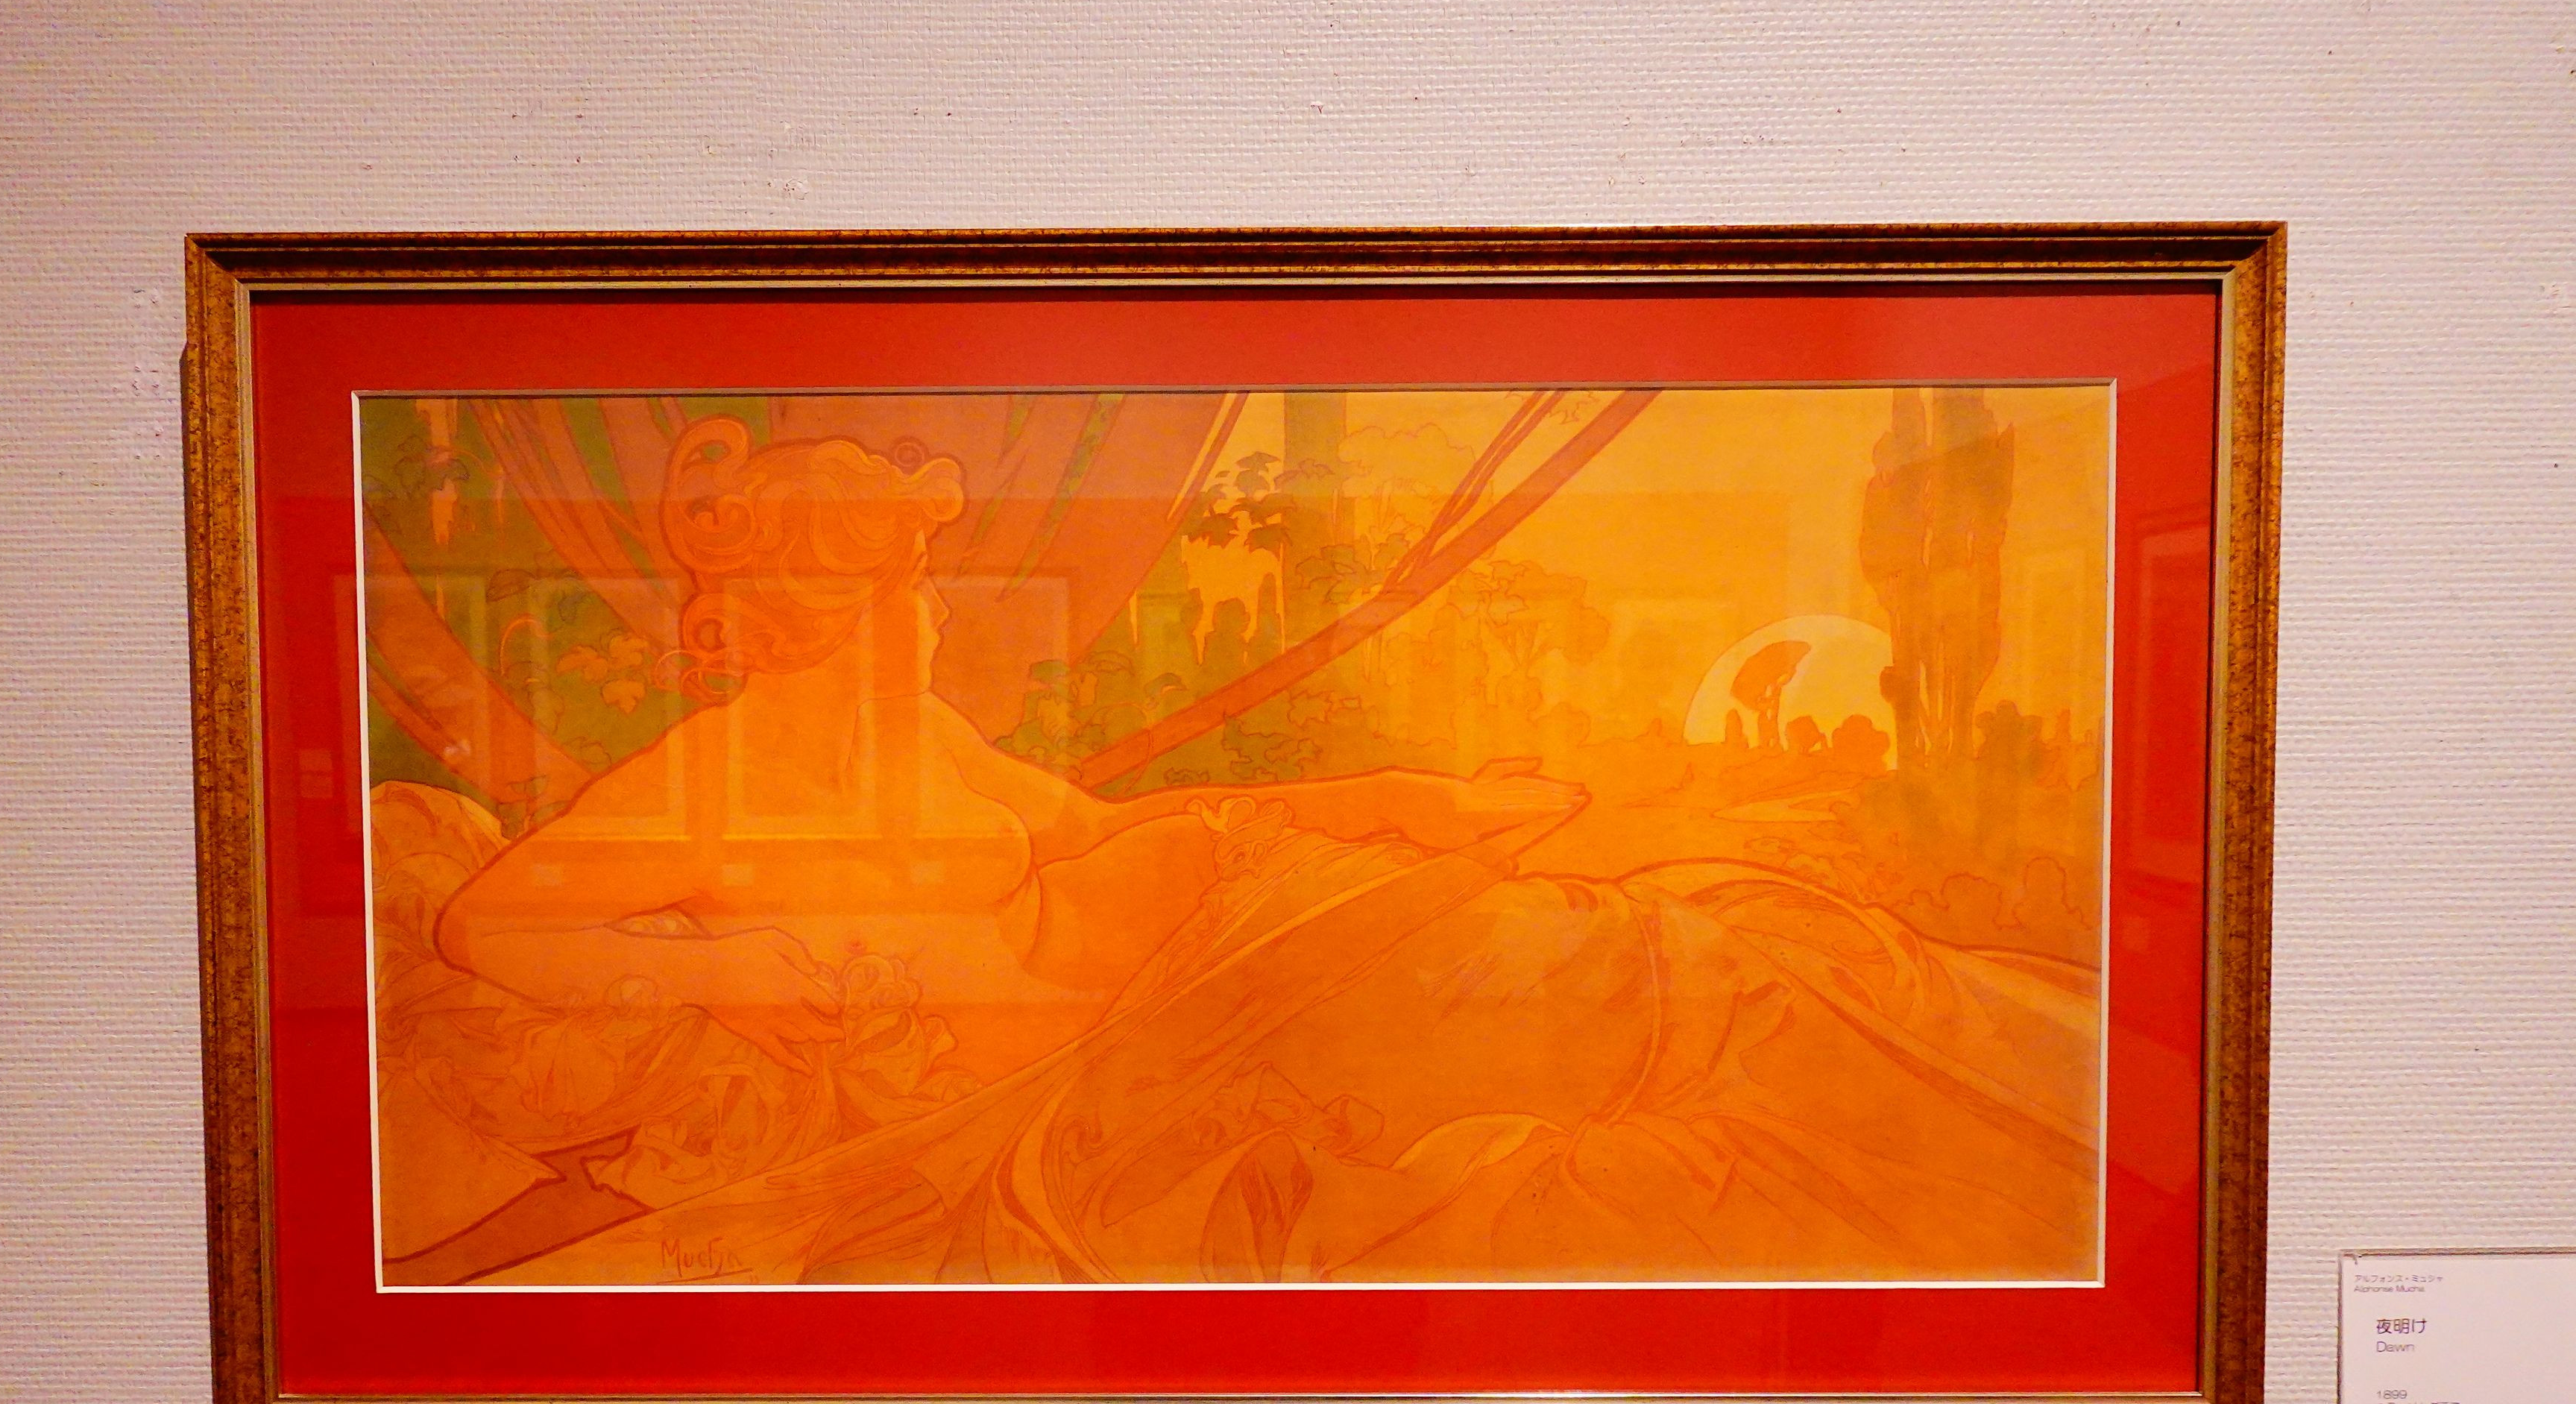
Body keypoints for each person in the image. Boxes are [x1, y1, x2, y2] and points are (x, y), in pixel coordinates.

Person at [392, 415, 2101, 1286]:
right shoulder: (707, 777)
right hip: (1177, 1043)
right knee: (1669, 981)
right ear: (814, 606)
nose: (928, 615)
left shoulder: (925, 741)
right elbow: (487, 926)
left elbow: (1118, 833)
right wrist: (735, 965)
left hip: (1247, 939)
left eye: (918, 583)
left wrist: (1386, 797)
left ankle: (2031, 1093)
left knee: (1704, 949)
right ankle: (2030, 1111)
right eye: (901, 586)